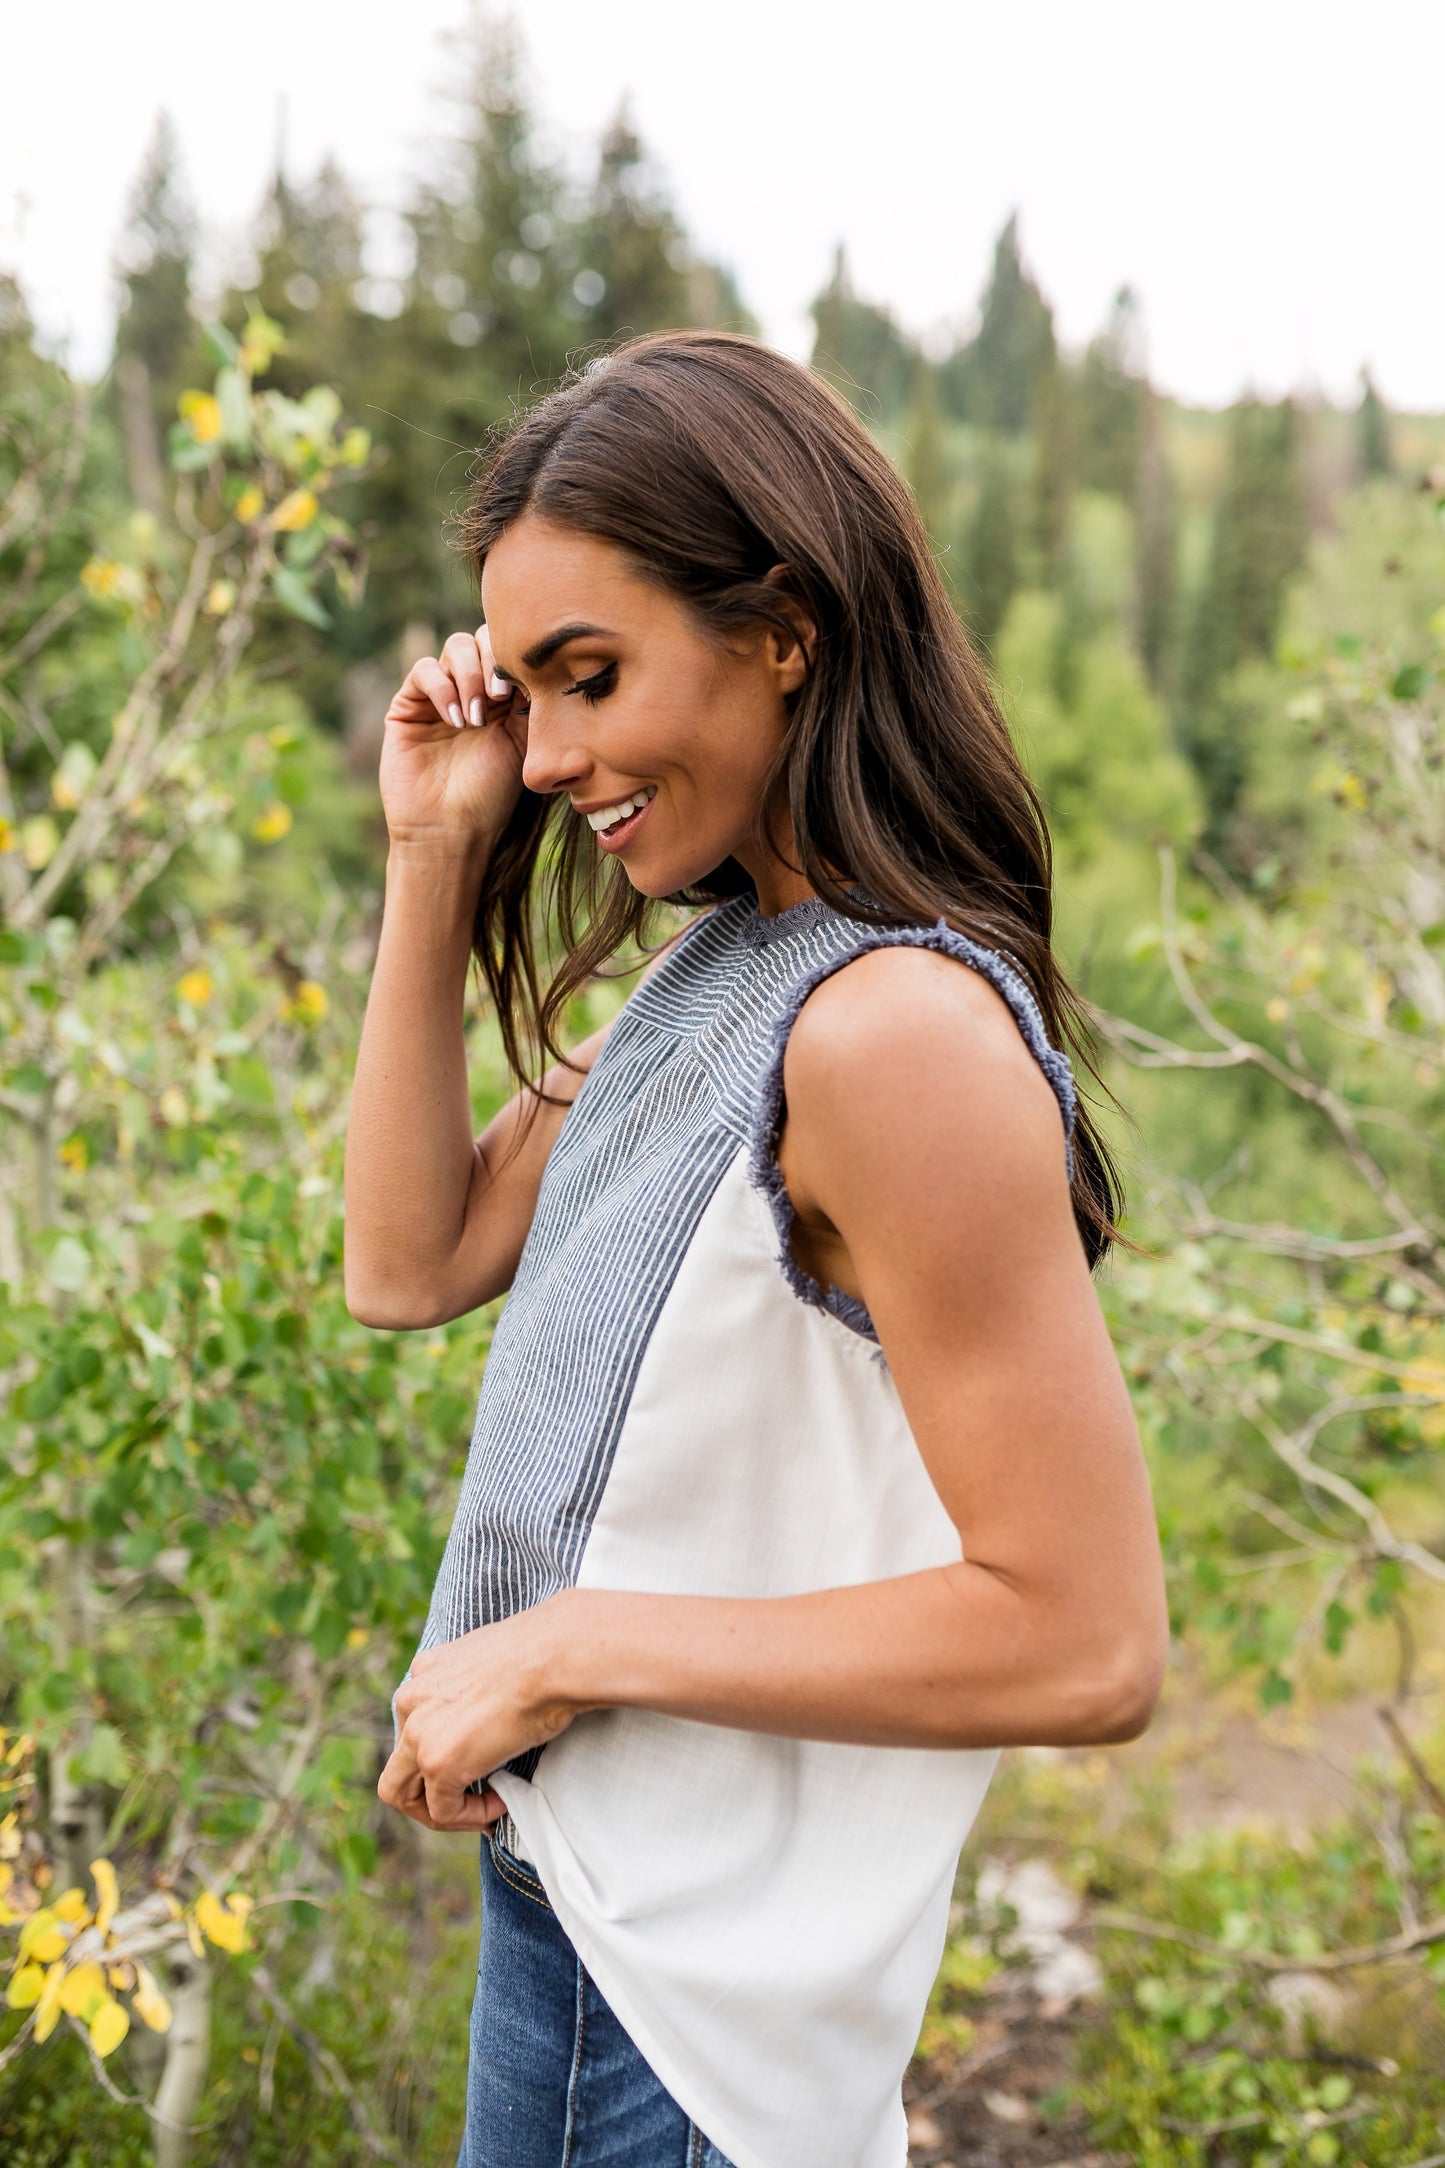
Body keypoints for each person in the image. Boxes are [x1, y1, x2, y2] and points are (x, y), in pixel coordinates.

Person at [343, 330, 1168, 2168]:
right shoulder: (717, 981)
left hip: (687, 2026)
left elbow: (1086, 1643)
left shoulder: (890, 1034)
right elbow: (409, 1261)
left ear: (781, 630)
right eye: (527, 692)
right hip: (593, 1935)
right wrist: (427, 851)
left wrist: (568, 1647)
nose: (546, 753)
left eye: (592, 676)